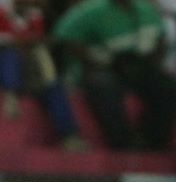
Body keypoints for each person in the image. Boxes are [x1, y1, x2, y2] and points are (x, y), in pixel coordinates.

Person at [52, 0, 176, 151]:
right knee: (103, 86)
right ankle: (123, 143)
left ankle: (152, 140)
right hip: (107, 66)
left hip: (141, 63)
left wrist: (154, 61)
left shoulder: (146, 9)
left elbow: (161, 38)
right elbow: (63, 34)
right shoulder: (90, 10)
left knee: (167, 87)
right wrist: (93, 56)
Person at [0, 0, 85, 149]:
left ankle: (69, 136)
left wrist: (27, 42)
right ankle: (10, 96)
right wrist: (28, 42)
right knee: (10, 54)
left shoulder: (35, 15)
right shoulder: (0, 11)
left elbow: (37, 42)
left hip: (27, 69)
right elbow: (3, 43)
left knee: (54, 88)